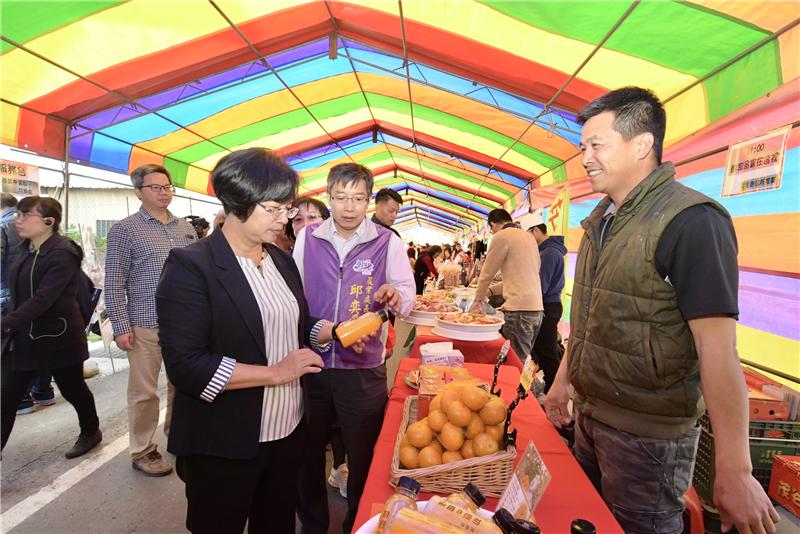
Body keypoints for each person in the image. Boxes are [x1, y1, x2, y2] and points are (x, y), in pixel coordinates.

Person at [544, 87, 779, 534]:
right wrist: (561, 383)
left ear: (642, 144)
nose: (585, 159)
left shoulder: (692, 221)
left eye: (596, 145)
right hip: (591, 418)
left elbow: (718, 351)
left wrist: (736, 469)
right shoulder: (601, 222)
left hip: (648, 439)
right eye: (582, 148)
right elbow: (590, 320)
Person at [156, 148, 367, 534]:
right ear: (238, 203)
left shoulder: (279, 260)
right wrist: (275, 373)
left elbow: (293, 322)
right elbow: (187, 365)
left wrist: (328, 331)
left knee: (277, 524)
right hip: (225, 440)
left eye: (287, 209)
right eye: (275, 209)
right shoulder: (191, 266)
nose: (286, 219)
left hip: (286, 432)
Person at [293, 162, 415, 534]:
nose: (349, 207)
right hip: (310, 363)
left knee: (364, 456)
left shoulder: (386, 241)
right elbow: (293, 295)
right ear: (329, 197)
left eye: (358, 198)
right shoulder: (308, 237)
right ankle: (312, 523)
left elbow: (408, 298)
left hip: (362, 369)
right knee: (306, 453)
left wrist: (395, 296)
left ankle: (356, 523)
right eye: (341, 197)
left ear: (368, 201)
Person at [105, 164, 197, 477]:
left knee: (181, 383)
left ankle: (178, 433)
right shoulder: (124, 229)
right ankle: (142, 450)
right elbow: (114, 281)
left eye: (167, 187)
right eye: (155, 187)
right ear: (138, 191)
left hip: (184, 322)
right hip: (144, 321)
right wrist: (120, 326)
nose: (163, 192)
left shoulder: (185, 227)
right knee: (145, 392)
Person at [1, 196, 101, 458]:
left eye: (25, 215)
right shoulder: (26, 248)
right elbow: (19, 294)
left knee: (73, 389)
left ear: (48, 221)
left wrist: (6, 324)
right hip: (24, 337)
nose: (18, 220)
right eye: (17, 215)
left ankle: (91, 431)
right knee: (6, 396)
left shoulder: (63, 252)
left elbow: (44, 298)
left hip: (59, 336)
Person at [470, 209, 544, 361]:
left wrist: (477, 300)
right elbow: (520, 278)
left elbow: (487, 273)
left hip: (519, 312)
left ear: (493, 225)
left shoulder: (501, 236)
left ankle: (515, 386)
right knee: (521, 360)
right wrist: (490, 291)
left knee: (513, 362)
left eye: (491, 229)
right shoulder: (529, 237)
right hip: (537, 310)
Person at [528, 224, 567, 393]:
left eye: (529, 234)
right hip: (546, 304)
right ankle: (549, 388)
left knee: (547, 352)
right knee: (543, 350)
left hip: (547, 305)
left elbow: (541, 286)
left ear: (536, 230)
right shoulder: (546, 250)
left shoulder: (550, 252)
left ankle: (552, 391)